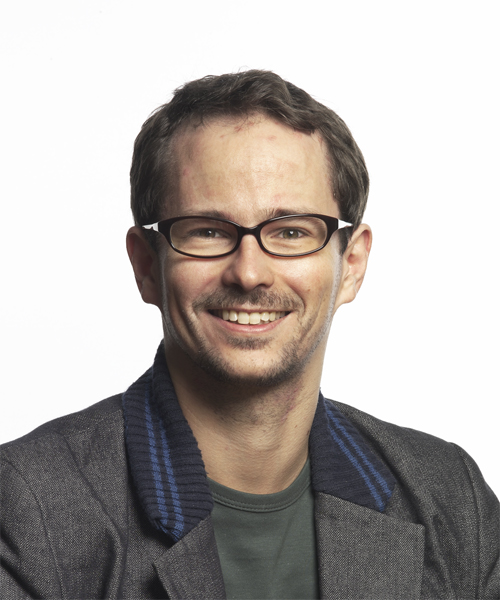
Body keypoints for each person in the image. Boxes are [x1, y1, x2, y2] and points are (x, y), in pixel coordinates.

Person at [1, 70, 498, 600]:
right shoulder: (26, 510)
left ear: (351, 264)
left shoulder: (452, 500)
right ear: (146, 266)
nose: (249, 272)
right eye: (207, 231)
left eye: (291, 231)